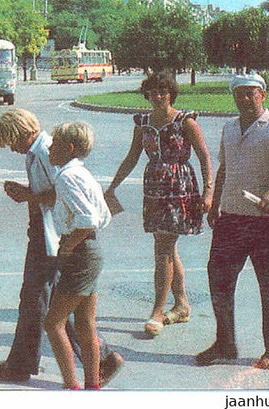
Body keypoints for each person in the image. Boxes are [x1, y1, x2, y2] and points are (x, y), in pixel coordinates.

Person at [0, 109, 122, 384]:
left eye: (11, 141)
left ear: (21, 132)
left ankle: (22, 367)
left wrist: (28, 196)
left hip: (53, 238)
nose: (12, 149)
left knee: (35, 301)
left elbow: (63, 192)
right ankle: (102, 359)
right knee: (56, 304)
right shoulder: (39, 152)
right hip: (48, 234)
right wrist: (29, 195)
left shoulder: (48, 150)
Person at [103, 72, 213, 337]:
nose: (157, 97)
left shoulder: (185, 121)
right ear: (147, 95)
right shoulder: (142, 124)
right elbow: (132, 157)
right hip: (154, 187)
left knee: (163, 246)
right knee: (166, 246)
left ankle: (157, 311)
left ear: (171, 94)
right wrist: (112, 186)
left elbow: (205, 158)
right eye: (153, 92)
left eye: (162, 92)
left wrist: (208, 192)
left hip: (180, 188)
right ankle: (182, 304)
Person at [197, 73, 269, 370]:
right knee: (219, 278)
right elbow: (224, 166)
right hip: (232, 218)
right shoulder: (229, 127)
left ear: (263, 94)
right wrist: (214, 202)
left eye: (251, 93)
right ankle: (224, 342)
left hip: (267, 220)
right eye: (240, 94)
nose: (245, 99)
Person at [42, 121, 114, 389]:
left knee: (53, 322)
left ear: (69, 148)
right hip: (91, 252)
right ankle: (92, 384)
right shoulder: (82, 174)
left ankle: (71, 385)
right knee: (85, 324)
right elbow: (103, 214)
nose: (49, 147)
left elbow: (87, 219)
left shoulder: (67, 177)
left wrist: (68, 246)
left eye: (55, 143)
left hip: (81, 253)